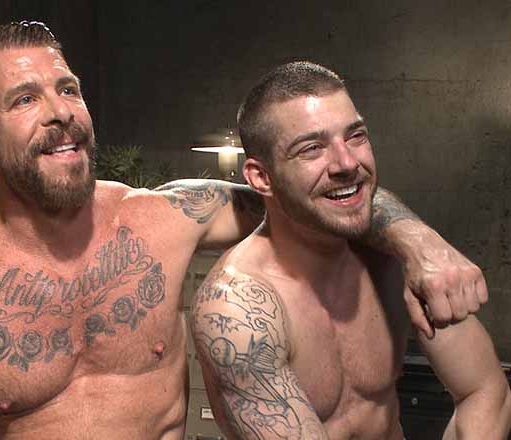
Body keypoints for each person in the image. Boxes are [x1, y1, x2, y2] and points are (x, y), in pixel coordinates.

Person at [0, 23, 487, 440]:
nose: (60, 111)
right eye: (24, 99)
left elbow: (314, 195)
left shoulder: (164, 218)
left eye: (68, 89)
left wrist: (419, 242)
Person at [191, 61, 511, 439]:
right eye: (312, 148)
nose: (347, 163)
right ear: (261, 177)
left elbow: (485, 391)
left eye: (355, 136)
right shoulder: (238, 308)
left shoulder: (397, 260)